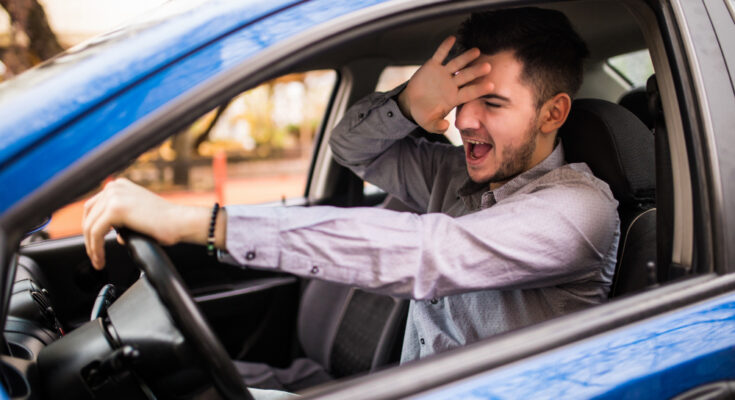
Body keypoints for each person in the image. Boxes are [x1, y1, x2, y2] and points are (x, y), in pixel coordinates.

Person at [83, 5, 618, 388]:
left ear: (552, 114)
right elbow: (351, 149)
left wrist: (205, 223)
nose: (464, 119)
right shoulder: (452, 174)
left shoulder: (578, 210)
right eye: (461, 98)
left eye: (493, 103)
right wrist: (409, 104)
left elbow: (426, 253)